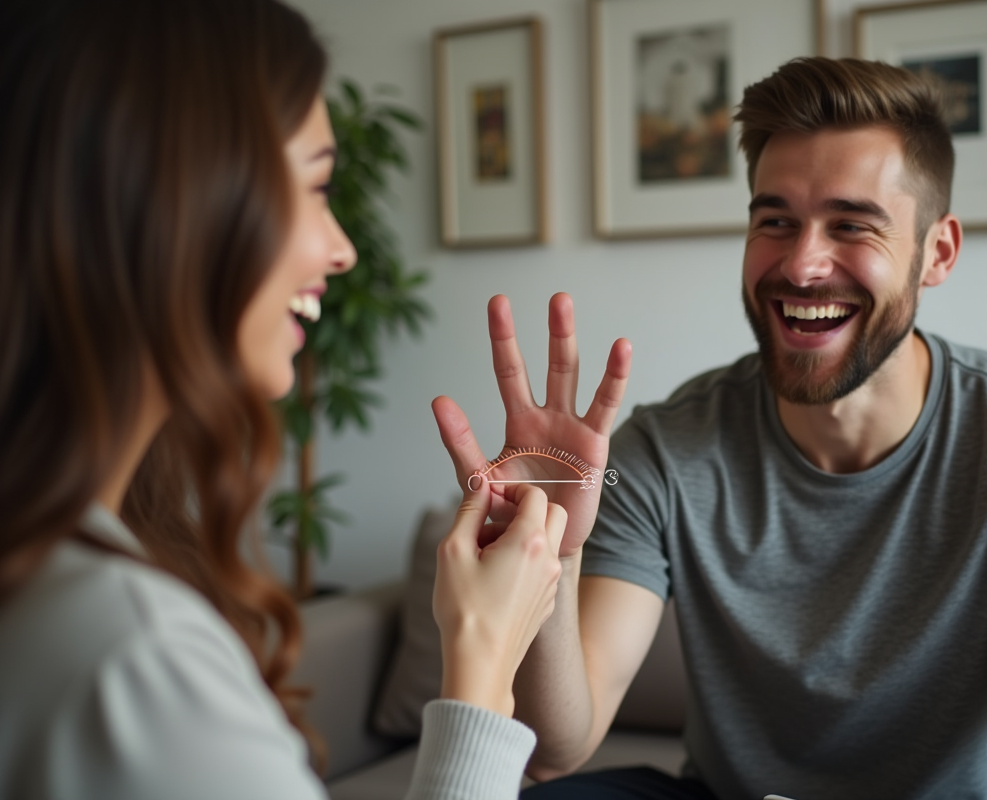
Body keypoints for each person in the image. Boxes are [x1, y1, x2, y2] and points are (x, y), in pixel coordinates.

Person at [436, 58, 987, 800]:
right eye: (775, 221)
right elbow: (557, 748)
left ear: (937, 252)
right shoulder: (660, 448)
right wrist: (556, 550)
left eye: (852, 225)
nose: (802, 265)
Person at [0, 1, 615, 798]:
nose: (343, 248)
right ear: (171, 205)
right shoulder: (132, 653)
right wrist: (481, 660)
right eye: (317, 187)